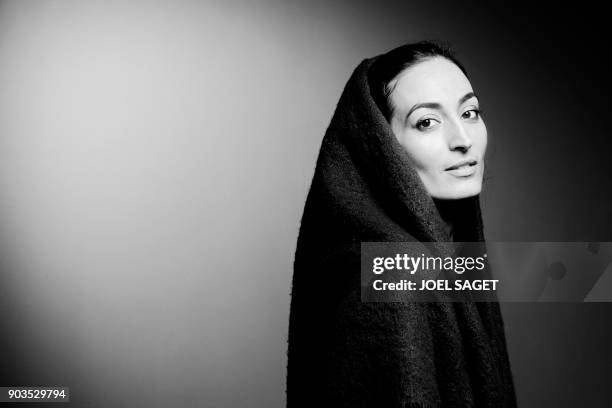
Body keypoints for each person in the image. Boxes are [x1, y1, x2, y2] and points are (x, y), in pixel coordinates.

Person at [286, 41, 517, 407]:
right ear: (381, 147)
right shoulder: (396, 279)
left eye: (470, 113)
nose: (463, 140)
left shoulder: (432, 261)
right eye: (427, 122)